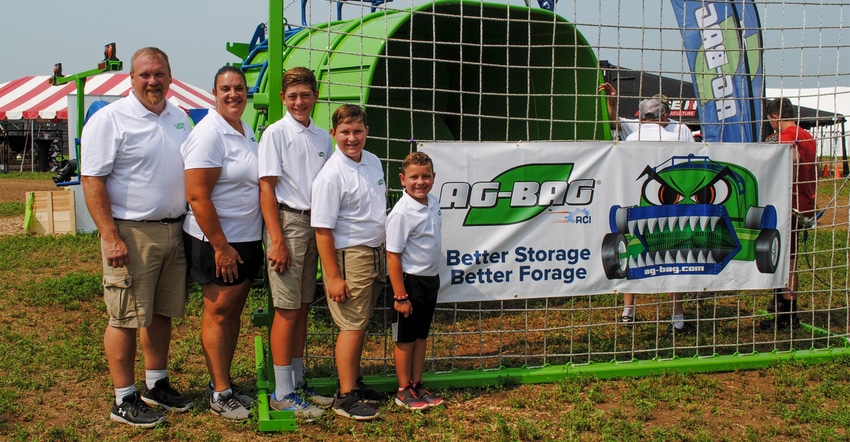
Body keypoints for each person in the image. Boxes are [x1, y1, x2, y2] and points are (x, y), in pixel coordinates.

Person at [81, 47, 193, 428]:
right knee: (126, 316)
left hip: (173, 229)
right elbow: (92, 179)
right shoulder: (111, 119)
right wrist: (110, 235)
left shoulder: (180, 119)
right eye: (145, 74)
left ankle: (155, 383)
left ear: (170, 77)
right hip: (130, 232)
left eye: (159, 74)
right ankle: (123, 398)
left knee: (160, 313)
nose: (152, 81)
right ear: (131, 78)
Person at [182, 66, 264, 421]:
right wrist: (220, 246)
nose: (233, 94)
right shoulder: (210, 135)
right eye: (225, 89)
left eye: (239, 88)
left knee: (231, 314)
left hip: (245, 237)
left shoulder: (244, 131)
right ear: (213, 93)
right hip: (219, 241)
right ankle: (219, 392)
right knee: (218, 314)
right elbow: (198, 197)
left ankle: (224, 382)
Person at [258, 66, 332, 420]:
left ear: (315, 97)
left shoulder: (322, 137)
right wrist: (276, 240)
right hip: (287, 224)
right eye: (292, 97)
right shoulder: (275, 134)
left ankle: (298, 382)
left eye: (305, 95)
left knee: (303, 307)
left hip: (314, 224)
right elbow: (267, 188)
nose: (299, 102)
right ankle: (282, 391)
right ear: (283, 99)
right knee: (286, 309)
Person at [600, 83, 698, 334]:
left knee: (632, 251)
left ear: (642, 117)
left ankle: (628, 312)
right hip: (672, 203)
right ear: (664, 115)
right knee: (677, 256)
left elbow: (615, 129)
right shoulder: (679, 132)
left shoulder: (634, 136)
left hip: (639, 201)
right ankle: (677, 318)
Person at [311, 104, 389, 421]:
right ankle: (345, 396)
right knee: (352, 325)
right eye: (345, 132)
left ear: (366, 132)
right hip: (350, 255)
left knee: (361, 323)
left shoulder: (373, 161)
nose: (352, 138)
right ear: (333, 134)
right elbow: (322, 229)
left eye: (357, 131)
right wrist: (332, 276)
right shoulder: (331, 175)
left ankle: (354, 382)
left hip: (375, 252)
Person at [386, 151, 445, 410]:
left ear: (433, 177)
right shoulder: (401, 213)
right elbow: (392, 256)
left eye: (426, 176)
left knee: (421, 336)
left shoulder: (433, 203)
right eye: (414, 177)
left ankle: (417, 383)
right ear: (402, 179)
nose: (420, 182)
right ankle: (402, 390)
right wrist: (400, 295)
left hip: (430, 280)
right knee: (406, 338)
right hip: (409, 283)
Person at [760, 97, 817, 330]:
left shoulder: (787, 137)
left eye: (770, 120)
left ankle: (788, 315)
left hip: (789, 206)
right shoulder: (808, 135)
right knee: (787, 258)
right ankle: (782, 308)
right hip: (805, 203)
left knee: (786, 261)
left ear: (775, 117)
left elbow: (793, 159)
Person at [598, 82, 694, 142]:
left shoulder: (681, 128)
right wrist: (612, 99)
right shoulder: (637, 125)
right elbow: (613, 121)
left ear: (667, 112)